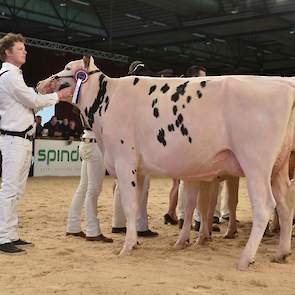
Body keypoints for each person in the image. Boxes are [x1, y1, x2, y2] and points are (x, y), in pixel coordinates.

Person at [0, 32, 73, 255]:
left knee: (17, 189)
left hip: (20, 138)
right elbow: (32, 101)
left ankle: (10, 234)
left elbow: (29, 101)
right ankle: (3, 237)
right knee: (10, 189)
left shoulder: (14, 76)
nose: (25, 51)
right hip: (14, 138)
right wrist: (59, 96)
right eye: (20, 48)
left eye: (24, 48)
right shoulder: (10, 75)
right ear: (7, 52)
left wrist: (42, 91)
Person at [111, 61, 158, 237]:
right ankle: (140, 226)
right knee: (141, 185)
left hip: (120, 143)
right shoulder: (140, 93)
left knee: (121, 184)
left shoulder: (120, 90)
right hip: (137, 144)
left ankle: (118, 224)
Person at [66, 129, 113, 243]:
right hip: (95, 145)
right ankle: (92, 230)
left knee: (83, 187)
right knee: (93, 189)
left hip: (86, 142)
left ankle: (73, 226)